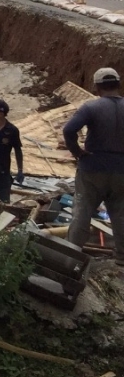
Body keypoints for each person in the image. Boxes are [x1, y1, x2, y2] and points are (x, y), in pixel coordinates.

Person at [62, 67, 124, 265]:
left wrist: (77, 152)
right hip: (121, 169)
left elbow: (69, 130)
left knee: (82, 211)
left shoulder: (91, 107)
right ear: (118, 84)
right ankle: (122, 257)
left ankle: (71, 257)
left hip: (92, 168)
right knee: (120, 213)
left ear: (97, 87)